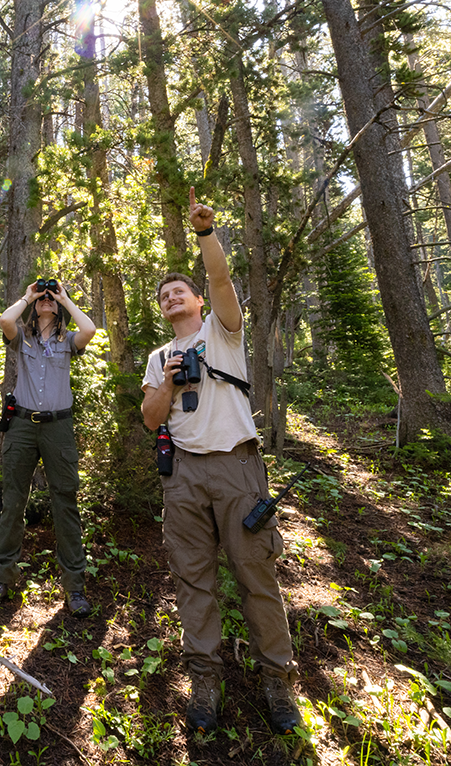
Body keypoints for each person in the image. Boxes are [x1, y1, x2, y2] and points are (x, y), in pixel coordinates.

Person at [141, 189, 304, 737]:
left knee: (256, 575)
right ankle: (205, 678)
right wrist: (165, 382)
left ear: (195, 300)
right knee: (193, 580)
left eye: (178, 291)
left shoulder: (221, 331)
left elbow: (221, 284)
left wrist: (206, 234)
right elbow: (150, 418)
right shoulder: (158, 357)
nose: (170, 298)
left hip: (236, 465)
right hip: (183, 473)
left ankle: (277, 680)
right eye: (163, 296)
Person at [0, 278, 97, 616]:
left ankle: (75, 587)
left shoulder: (68, 340)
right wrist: (29, 295)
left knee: (65, 502)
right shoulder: (23, 338)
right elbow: (5, 321)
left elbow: (89, 329)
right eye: (42, 298)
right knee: (13, 501)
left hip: (58, 427)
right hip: (21, 426)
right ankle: (3, 578)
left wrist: (65, 298)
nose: (47, 300)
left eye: (51, 298)